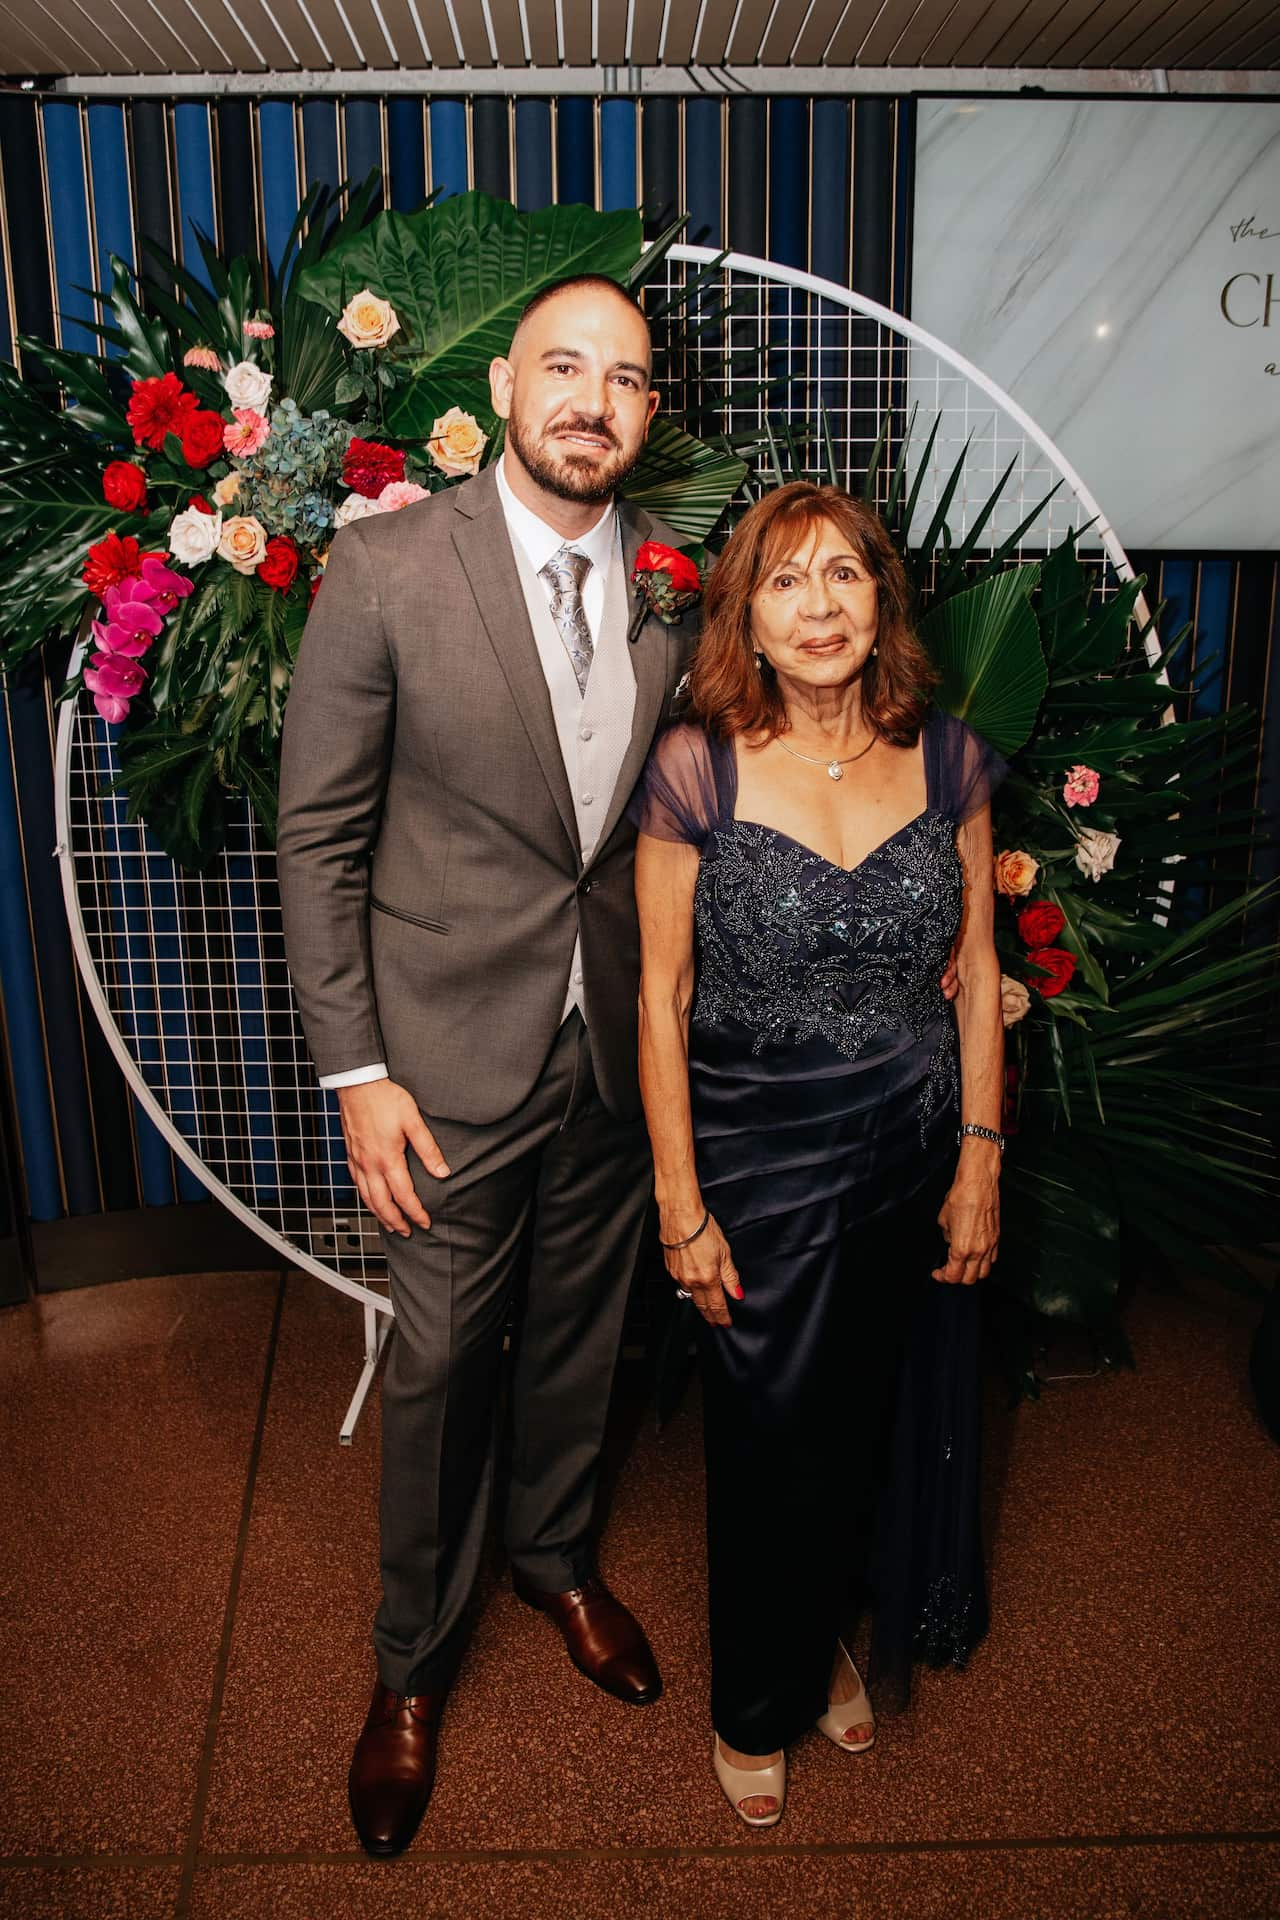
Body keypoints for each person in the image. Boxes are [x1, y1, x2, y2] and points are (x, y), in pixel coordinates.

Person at [276, 275, 695, 1857]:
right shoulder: (387, 564)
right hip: (440, 1064)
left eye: (628, 379)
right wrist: (355, 1069)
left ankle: (557, 1558)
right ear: (507, 385)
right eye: (566, 367)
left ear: (649, 415)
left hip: (606, 1042)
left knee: (586, 1331)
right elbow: (316, 832)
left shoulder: (672, 591)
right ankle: (407, 1669)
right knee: (444, 1366)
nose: (595, 398)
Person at [631, 480, 1004, 1827]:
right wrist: (682, 1204)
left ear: (878, 600)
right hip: (757, 1165)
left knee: (868, 1424)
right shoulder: (698, 768)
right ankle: (757, 1694)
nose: (820, 606)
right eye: (785, 582)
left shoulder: (949, 760)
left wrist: (980, 1158)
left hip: (909, 1152)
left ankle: (826, 1636)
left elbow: (977, 978)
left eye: (842, 575)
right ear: (749, 616)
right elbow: (659, 999)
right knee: (768, 1438)